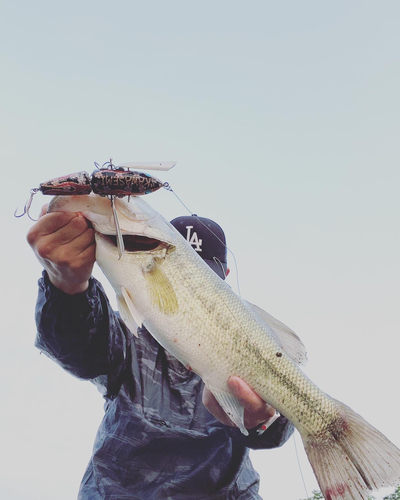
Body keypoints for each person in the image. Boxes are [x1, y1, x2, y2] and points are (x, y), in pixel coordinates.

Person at [27, 207, 294, 500]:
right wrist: (67, 286)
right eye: (170, 276)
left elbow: (275, 427)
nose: (183, 290)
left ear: (224, 277)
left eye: (199, 277)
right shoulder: (127, 330)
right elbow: (78, 346)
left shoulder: (248, 342)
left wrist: (263, 419)